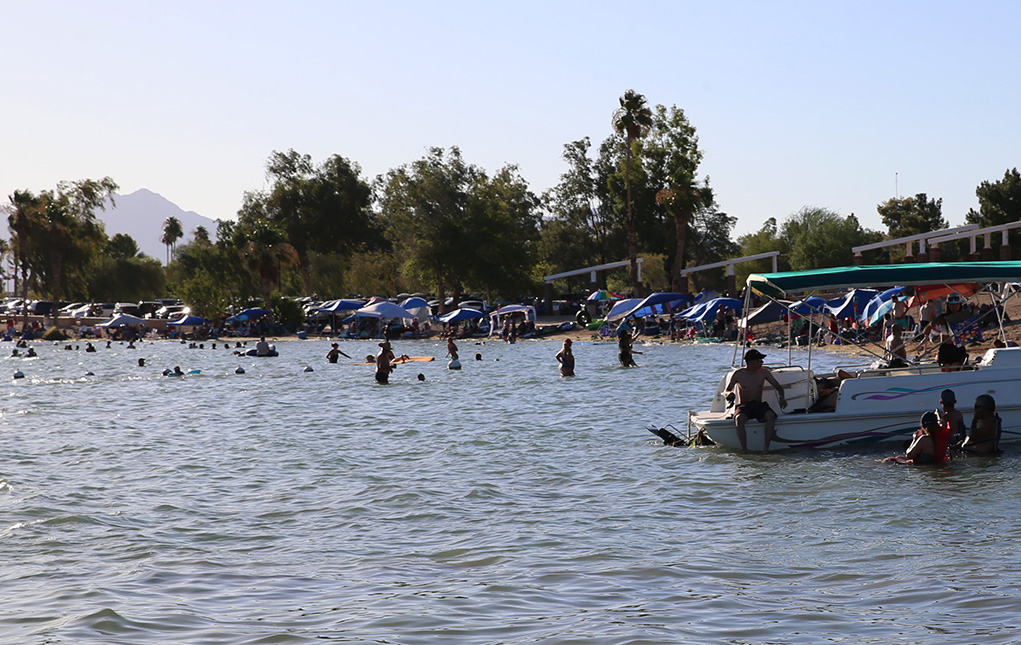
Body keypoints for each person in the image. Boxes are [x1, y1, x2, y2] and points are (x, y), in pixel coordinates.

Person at [724, 349, 787, 452]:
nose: (762, 362)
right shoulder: (739, 374)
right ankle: (744, 449)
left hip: (758, 404)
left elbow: (778, 387)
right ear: (751, 361)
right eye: (759, 360)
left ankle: (766, 448)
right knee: (739, 419)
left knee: (770, 416)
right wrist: (729, 394)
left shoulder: (764, 373)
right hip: (744, 405)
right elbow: (727, 390)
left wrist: (782, 398)